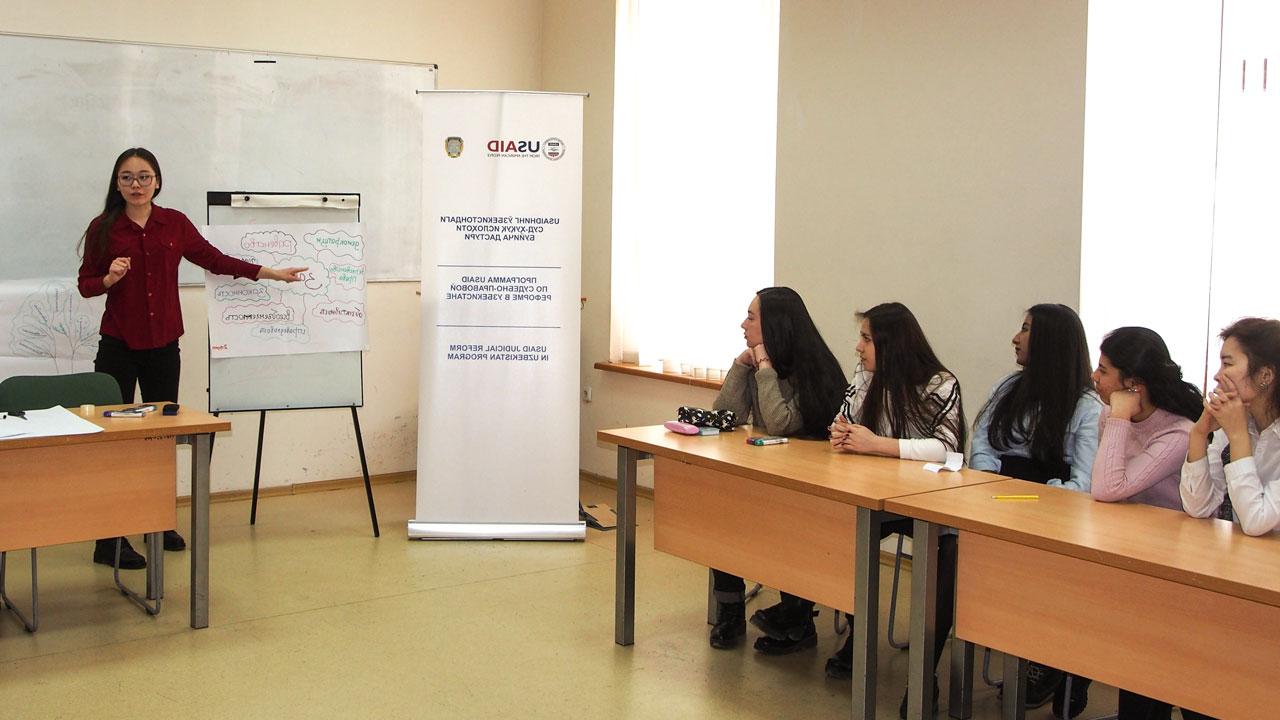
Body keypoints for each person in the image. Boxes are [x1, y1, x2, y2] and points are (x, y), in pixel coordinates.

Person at [77, 147, 306, 570]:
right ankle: (108, 540)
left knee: (160, 439)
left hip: (163, 347)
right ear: (116, 184)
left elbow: (214, 260)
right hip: (118, 347)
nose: (136, 185)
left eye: (144, 177)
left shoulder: (174, 224)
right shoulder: (104, 228)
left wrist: (270, 273)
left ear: (158, 182)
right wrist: (108, 278)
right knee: (113, 443)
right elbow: (86, 284)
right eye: (126, 178)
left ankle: (158, 523)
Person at [821, 302, 965, 720]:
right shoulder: (867, 377)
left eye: (866, 339)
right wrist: (842, 432)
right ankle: (857, 639)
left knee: (947, 560)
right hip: (875, 496)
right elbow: (844, 421)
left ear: (891, 344)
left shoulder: (941, 384)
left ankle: (925, 674)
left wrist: (876, 445)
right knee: (835, 531)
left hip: (930, 504)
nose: (858, 348)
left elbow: (949, 449)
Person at [969, 303, 1102, 719]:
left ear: (1049, 343)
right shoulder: (1009, 387)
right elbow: (983, 445)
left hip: (1055, 517)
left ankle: (1058, 666)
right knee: (955, 556)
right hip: (1001, 501)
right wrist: (993, 486)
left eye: (1025, 329)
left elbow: (1085, 484)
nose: (1015, 337)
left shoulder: (1086, 407)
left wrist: (1028, 497)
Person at [708, 287, 847, 653]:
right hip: (770, 478)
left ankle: (796, 617)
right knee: (723, 512)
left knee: (787, 525)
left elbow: (781, 422)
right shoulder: (757, 362)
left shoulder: (812, 369)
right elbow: (728, 416)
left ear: (776, 326)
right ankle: (730, 609)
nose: (743, 324)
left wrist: (765, 370)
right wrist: (741, 366)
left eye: (751, 318)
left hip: (815, 491)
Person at [1182, 316, 1280, 537]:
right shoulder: (1236, 418)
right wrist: (1199, 434)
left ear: (1265, 375)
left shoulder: (1235, 426)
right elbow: (1198, 506)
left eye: (1228, 364)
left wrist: (1238, 436)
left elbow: (1256, 521)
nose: (1218, 375)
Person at [1091, 327, 1202, 511]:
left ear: (1134, 384)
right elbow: (1104, 485)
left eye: (1102, 371)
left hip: (1172, 533)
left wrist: (1119, 418)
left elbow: (1106, 489)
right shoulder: (1110, 413)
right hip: (1123, 520)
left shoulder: (1179, 433)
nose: (1094, 376)